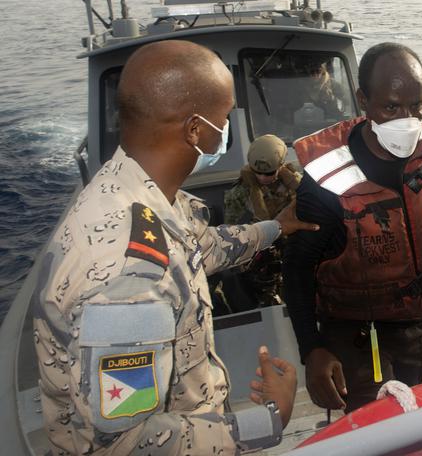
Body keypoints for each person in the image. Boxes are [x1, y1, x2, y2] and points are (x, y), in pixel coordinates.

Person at [32, 40, 319, 455]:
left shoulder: (135, 191)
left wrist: (278, 226)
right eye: (225, 117)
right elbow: (126, 443)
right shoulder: (129, 277)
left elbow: (201, 247)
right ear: (196, 130)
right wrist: (271, 416)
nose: (228, 131)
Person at [284, 42, 422, 413]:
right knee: (371, 413)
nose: (407, 119)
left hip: (419, 318)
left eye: (416, 106)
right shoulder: (324, 179)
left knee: (411, 398)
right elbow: (297, 267)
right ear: (363, 101)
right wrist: (312, 349)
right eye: (391, 107)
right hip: (357, 330)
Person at [218, 134, 302, 309]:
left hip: (295, 241)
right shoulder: (241, 191)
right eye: (259, 173)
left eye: (269, 173)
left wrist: (292, 180)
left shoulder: (293, 183)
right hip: (263, 243)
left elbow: (315, 199)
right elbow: (230, 228)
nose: (263, 178)